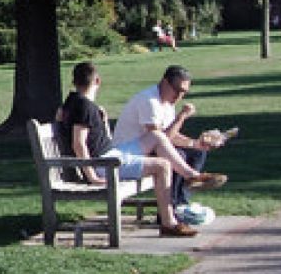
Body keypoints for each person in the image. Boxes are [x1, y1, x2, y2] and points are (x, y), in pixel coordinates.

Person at [53, 61, 192, 235]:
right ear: (98, 81)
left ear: (74, 82)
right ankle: (168, 223)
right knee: (163, 165)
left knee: (156, 136)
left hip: (111, 154)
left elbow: (68, 123)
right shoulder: (85, 107)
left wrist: (101, 120)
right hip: (104, 164)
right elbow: (78, 143)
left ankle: (190, 175)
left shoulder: (74, 102)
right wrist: (92, 176)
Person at [113, 64, 228, 235]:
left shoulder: (167, 102)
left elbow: (171, 137)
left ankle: (181, 202)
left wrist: (197, 144)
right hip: (130, 153)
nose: (179, 96)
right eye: (177, 90)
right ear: (165, 82)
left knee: (196, 152)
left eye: (184, 93)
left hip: (150, 148)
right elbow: (160, 138)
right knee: (175, 157)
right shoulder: (149, 101)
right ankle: (172, 208)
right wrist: (182, 116)